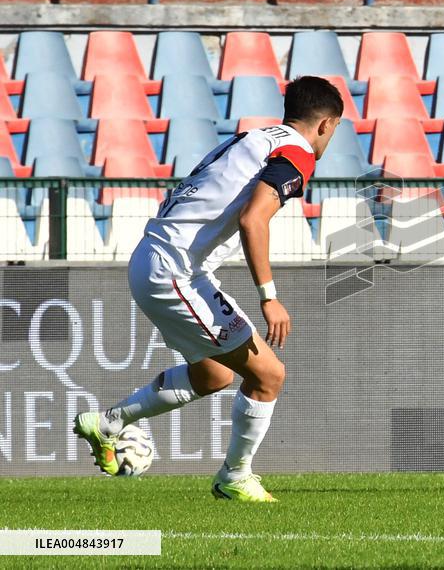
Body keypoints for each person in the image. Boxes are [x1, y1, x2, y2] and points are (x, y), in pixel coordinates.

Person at [74, 76, 344, 502]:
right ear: (326, 124)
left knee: (213, 374)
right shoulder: (297, 152)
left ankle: (109, 422)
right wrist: (269, 297)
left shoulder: (251, 138)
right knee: (269, 375)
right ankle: (235, 476)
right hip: (177, 272)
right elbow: (253, 219)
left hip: (155, 259)